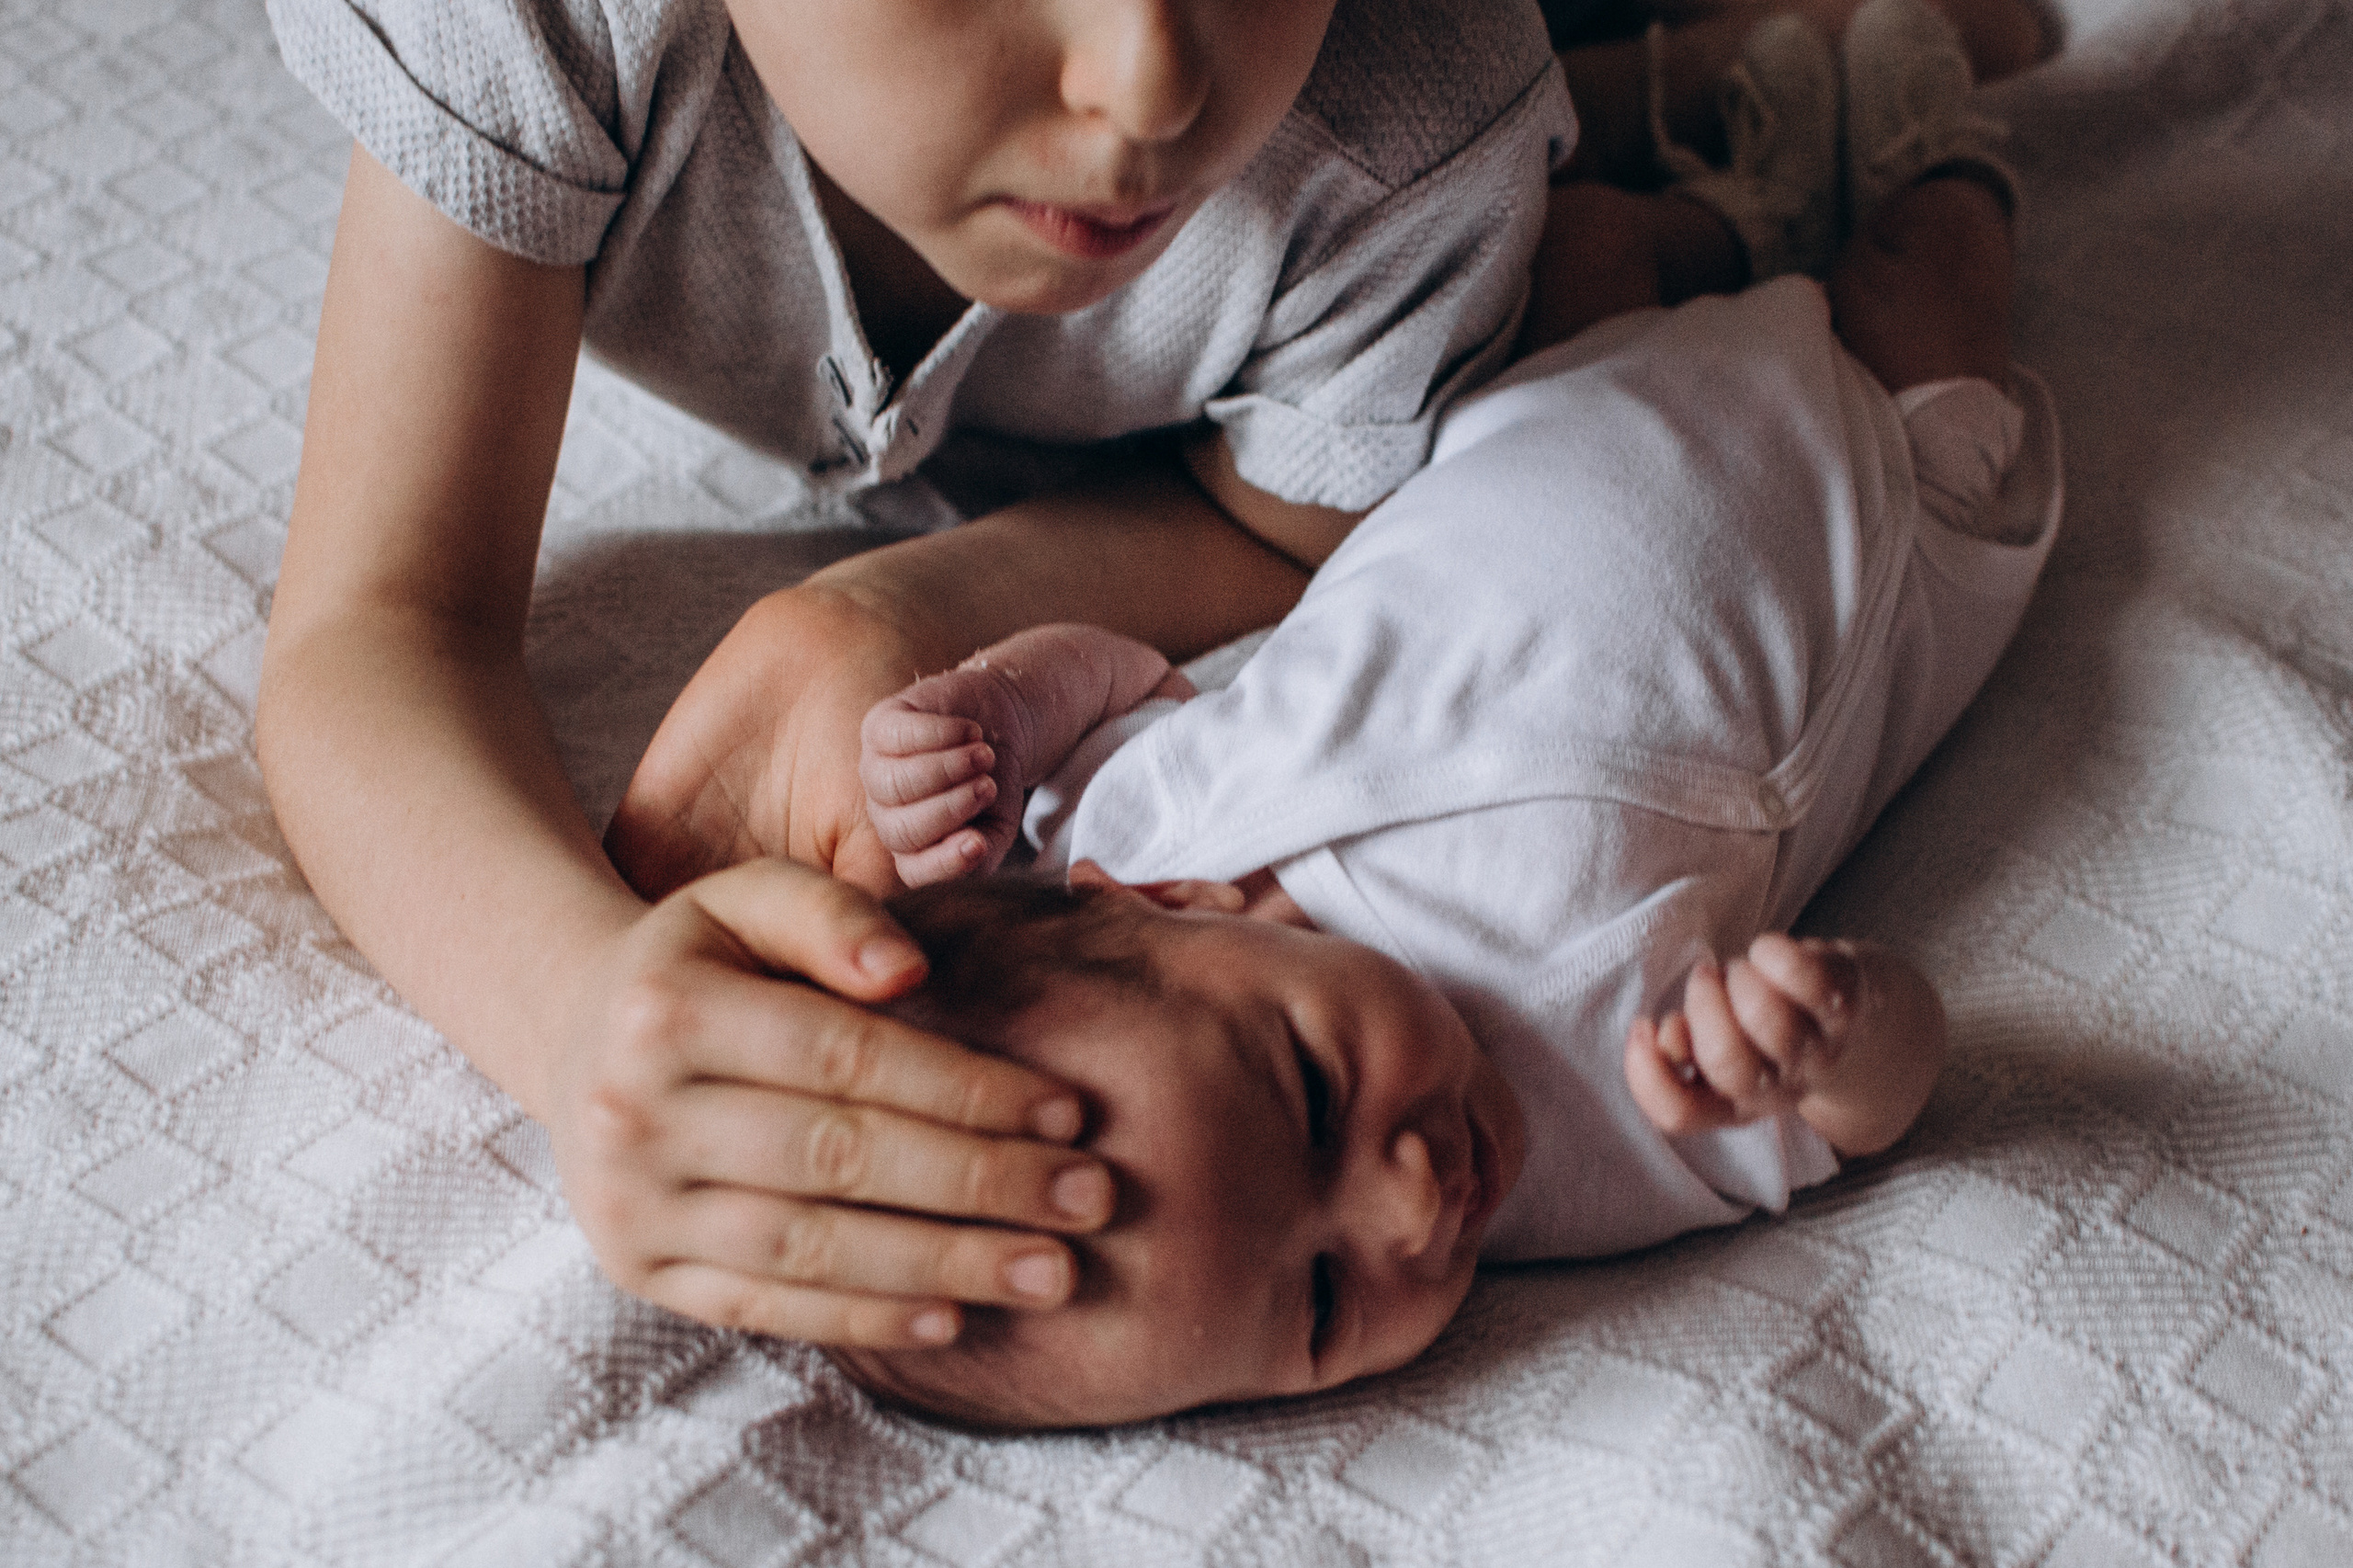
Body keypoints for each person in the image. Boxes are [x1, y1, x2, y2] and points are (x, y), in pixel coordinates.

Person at [254, 0, 2050, 1358]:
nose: (1150, 88)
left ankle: (1753, 63)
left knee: (1575, 263)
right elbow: (377, 627)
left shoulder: (1408, 104)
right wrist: (577, 1019)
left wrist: (897, 611)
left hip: (1519, 236)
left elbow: (1278, 528)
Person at [835, 0, 2062, 1425]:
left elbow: (1116, 671)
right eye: (1320, 1300)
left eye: (1309, 1094)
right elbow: (1886, 1097)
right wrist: (1831, 1037)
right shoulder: (1595, 1118)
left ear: (1165, 898)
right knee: (1936, 280)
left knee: (1591, 247)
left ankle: (1748, 205)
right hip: (1875, 495)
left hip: (1552, 393)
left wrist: (989, 704)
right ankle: (1942, 149)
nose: (1411, 1202)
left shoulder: (1132, 821)